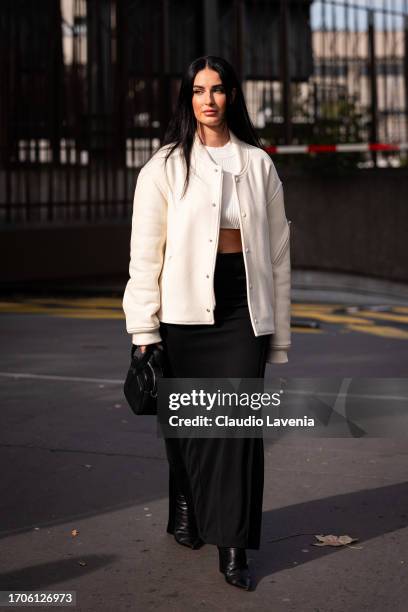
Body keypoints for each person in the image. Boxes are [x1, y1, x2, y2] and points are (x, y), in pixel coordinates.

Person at [122, 55, 291, 591]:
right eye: (199, 90)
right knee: (193, 422)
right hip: (184, 308)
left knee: (235, 429)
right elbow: (145, 257)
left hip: (244, 305)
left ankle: (234, 548)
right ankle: (187, 501)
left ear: (233, 97)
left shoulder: (259, 163)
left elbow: (279, 253)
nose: (209, 100)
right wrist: (143, 332)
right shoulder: (164, 167)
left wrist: (279, 334)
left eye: (218, 90)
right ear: (187, 99)